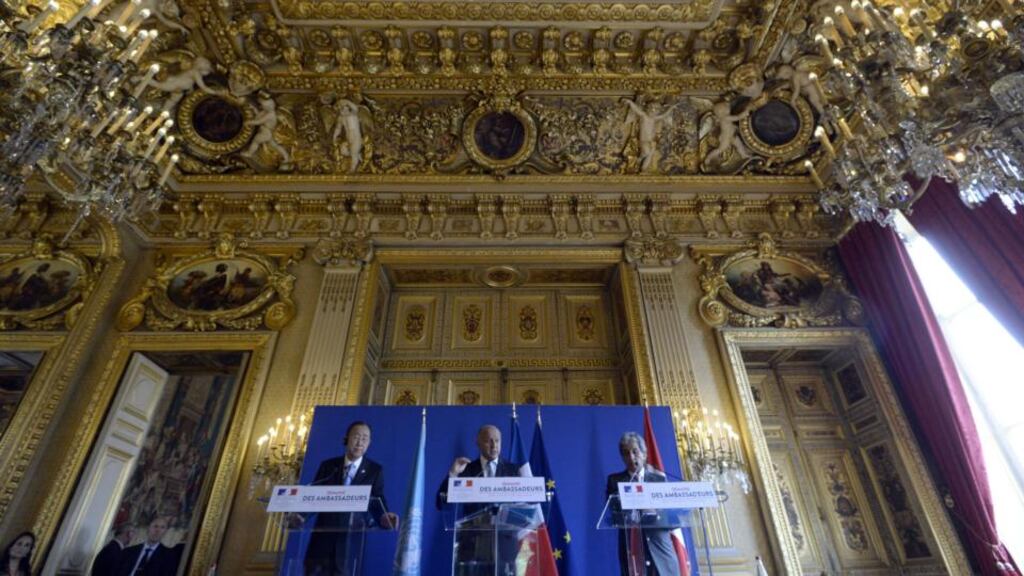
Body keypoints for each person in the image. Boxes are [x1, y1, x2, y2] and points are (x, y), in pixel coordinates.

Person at [304, 421, 397, 576]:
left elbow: (377, 498)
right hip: (322, 540)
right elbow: (313, 495)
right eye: (356, 436)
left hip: (349, 542)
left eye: (365, 438)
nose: (360, 442)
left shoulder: (374, 470)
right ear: (346, 439)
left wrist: (384, 516)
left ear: (369, 443)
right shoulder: (328, 466)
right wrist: (300, 516)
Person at [435, 425, 523, 576]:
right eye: (489, 441)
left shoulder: (513, 471)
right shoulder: (466, 469)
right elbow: (441, 503)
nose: (494, 446)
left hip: (504, 547)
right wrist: (453, 474)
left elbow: (523, 509)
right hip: (473, 546)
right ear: (478, 442)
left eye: (497, 441)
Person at [605, 432, 681, 576]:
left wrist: (655, 513)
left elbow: (672, 519)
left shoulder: (659, 479)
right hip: (633, 550)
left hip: (661, 550)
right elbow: (613, 516)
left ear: (644, 454)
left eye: (635, 451)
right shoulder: (615, 481)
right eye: (626, 453)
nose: (631, 457)